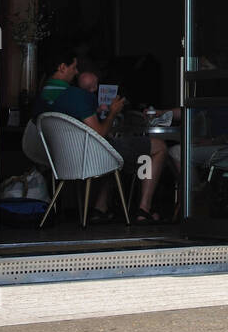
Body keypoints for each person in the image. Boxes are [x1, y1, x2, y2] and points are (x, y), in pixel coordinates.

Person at [38, 52, 169, 224]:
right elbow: (99, 133)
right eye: (74, 67)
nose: (76, 72)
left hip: (60, 159)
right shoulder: (76, 95)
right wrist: (112, 112)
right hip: (89, 157)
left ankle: (101, 208)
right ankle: (144, 209)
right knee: (158, 146)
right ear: (62, 67)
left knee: (110, 152)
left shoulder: (40, 97)